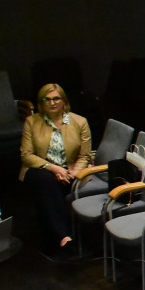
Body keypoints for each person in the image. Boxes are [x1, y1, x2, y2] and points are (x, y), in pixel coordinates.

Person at [20, 83, 92, 250]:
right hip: (40, 169)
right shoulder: (31, 122)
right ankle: (64, 235)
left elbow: (85, 156)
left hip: (72, 172)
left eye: (56, 99)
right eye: (47, 99)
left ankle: (56, 234)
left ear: (64, 101)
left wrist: (71, 173)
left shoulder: (80, 122)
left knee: (50, 188)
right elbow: (26, 156)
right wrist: (53, 168)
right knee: (46, 181)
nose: (52, 103)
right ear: (41, 102)